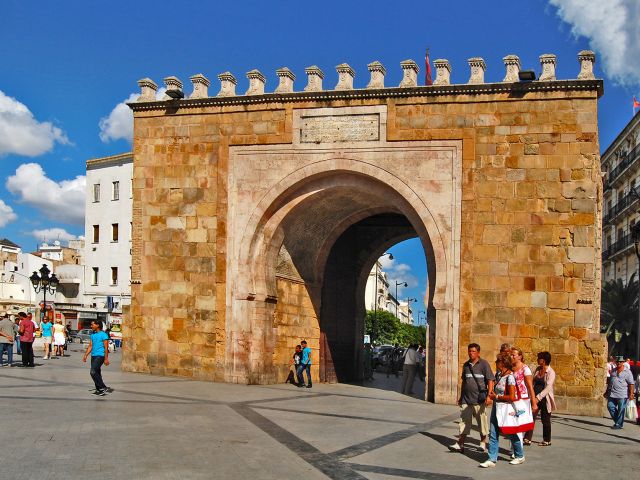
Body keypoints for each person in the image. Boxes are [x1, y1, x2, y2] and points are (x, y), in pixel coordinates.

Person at [479, 352, 525, 468]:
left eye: (497, 361)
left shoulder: (510, 378)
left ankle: (520, 455)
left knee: (510, 432)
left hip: (506, 408)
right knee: (493, 433)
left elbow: (512, 397)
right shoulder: (499, 375)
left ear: (502, 363)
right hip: (497, 407)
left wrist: (497, 397)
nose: (495, 363)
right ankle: (492, 458)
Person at [451, 343, 495, 453]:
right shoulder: (466, 365)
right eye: (469, 351)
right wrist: (461, 397)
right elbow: (464, 382)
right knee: (464, 421)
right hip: (466, 399)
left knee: (482, 422)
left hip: (479, 399)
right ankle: (460, 444)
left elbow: (490, 380)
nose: (471, 353)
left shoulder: (484, 364)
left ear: (478, 352)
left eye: (473, 351)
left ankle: (483, 442)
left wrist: (489, 396)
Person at [524, 351, 556, 446]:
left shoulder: (551, 372)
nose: (537, 360)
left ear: (544, 360)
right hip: (535, 398)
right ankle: (527, 438)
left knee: (545, 419)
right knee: (531, 417)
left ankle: (547, 440)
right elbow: (533, 381)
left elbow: (548, 387)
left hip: (544, 399)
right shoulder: (538, 369)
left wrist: (538, 397)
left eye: (539, 358)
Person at [510, 346, 537, 445]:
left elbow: (530, 387)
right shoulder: (510, 368)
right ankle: (514, 449)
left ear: (520, 356)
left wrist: (534, 403)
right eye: (511, 355)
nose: (511, 356)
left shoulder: (525, 369)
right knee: (512, 424)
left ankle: (517, 450)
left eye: (514, 355)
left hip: (522, 400)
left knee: (519, 426)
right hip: (511, 399)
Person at [82, 320, 112, 396]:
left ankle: (103, 387)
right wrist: (85, 355)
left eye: (92, 324)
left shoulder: (104, 335)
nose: (91, 326)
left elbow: (106, 348)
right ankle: (99, 390)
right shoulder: (93, 335)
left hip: (100, 355)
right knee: (97, 372)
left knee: (93, 372)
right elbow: (90, 346)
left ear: (97, 325)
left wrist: (106, 358)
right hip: (93, 355)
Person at [605, 356, 635, 429]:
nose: (619, 363)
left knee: (621, 410)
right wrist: (606, 391)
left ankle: (618, 424)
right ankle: (618, 421)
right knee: (610, 406)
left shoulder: (627, 372)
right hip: (612, 393)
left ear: (623, 362)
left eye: (620, 362)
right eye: (617, 361)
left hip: (622, 395)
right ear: (615, 362)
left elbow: (631, 383)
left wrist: (631, 394)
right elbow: (610, 382)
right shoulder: (613, 370)